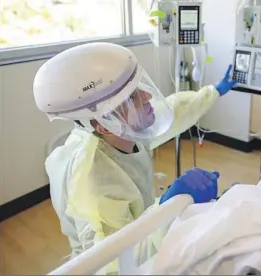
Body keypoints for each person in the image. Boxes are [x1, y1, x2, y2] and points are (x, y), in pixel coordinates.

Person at [32, 42, 236, 273]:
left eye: (137, 87)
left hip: (143, 235)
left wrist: (214, 91)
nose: (147, 95)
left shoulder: (124, 131)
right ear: (105, 124)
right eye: (131, 98)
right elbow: (117, 259)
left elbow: (174, 110)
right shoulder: (94, 182)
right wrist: (167, 205)